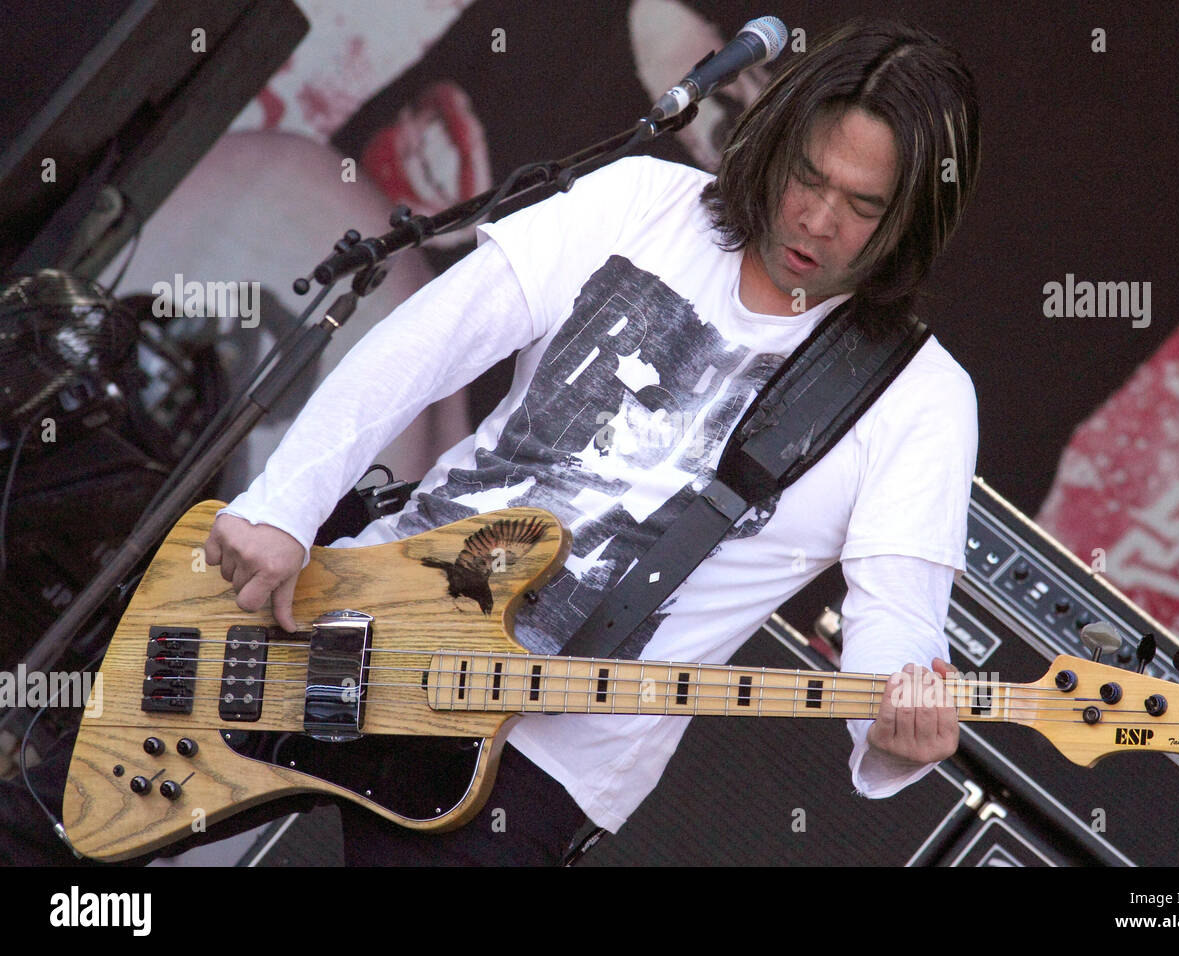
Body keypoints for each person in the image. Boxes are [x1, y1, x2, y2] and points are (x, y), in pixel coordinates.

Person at [2, 18, 981, 866]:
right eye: (808, 177)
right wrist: (283, 507)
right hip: (351, 611)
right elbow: (426, 343)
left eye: (862, 206)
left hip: (534, 758)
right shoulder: (641, 200)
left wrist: (900, 721)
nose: (816, 217)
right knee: (56, 845)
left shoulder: (919, 398)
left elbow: (898, 621)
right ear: (769, 142)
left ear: (913, 220)